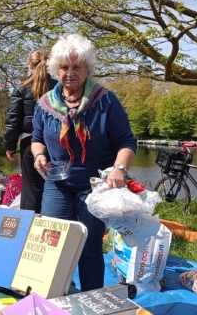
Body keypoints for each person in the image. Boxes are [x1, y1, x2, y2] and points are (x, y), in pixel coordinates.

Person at [30, 34, 136, 291]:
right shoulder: (45, 104)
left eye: (77, 66)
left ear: (88, 68)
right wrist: (39, 155)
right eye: (64, 67)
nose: (70, 73)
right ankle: (51, 299)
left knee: (89, 247)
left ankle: (92, 301)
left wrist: (120, 169)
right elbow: (36, 139)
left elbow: (127, 142)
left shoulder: (106, 101)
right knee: (51, 245)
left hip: (94, 186)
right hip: (57, 183)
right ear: (56, 69)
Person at [3, 49, 57, 212]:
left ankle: (30, 227)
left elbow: (13, 120)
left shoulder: (21, 89)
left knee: (31, 189)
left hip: (29, 143)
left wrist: (9, 145)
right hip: (55, 143)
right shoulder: (58, 88)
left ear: (30, 65)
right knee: (55, 188)